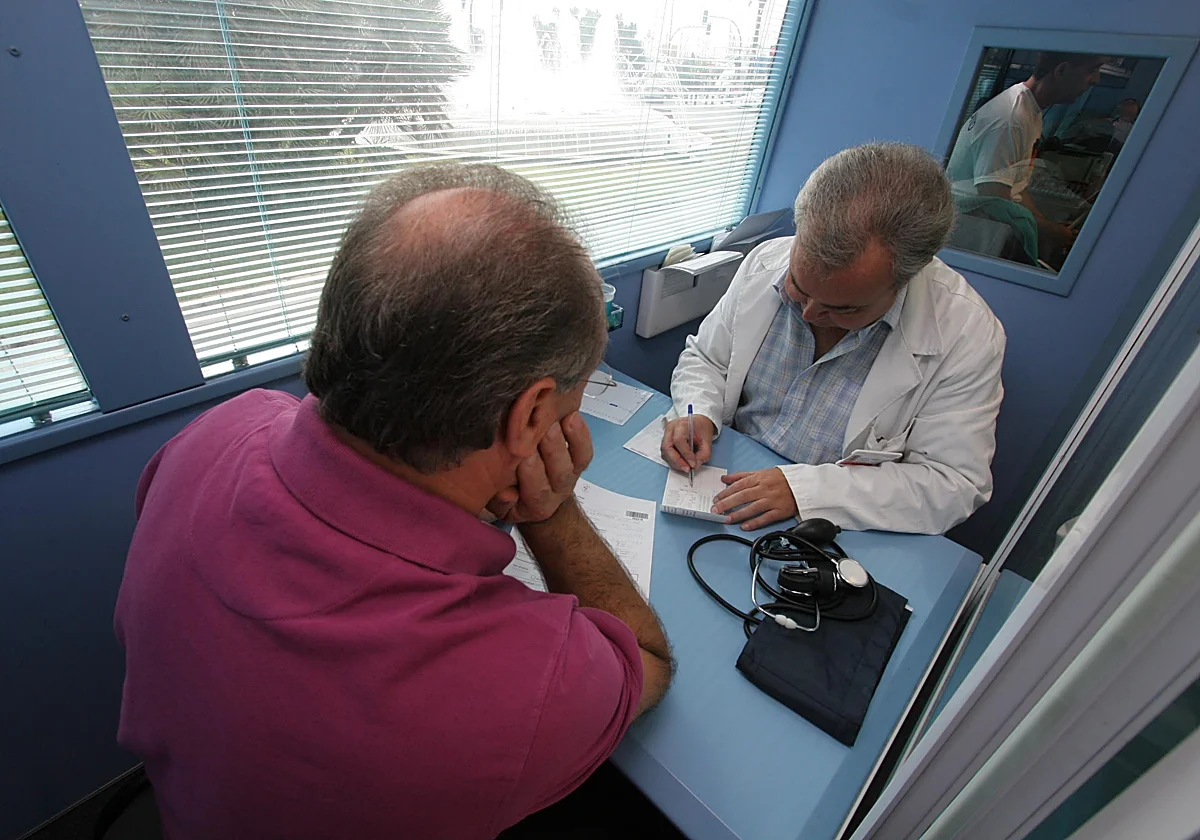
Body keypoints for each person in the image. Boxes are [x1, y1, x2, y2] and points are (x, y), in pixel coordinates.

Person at [115, 164, 674, 840]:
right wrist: (549, 510)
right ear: (530, 417)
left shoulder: (215, 431)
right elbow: (645, 660)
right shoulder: (521, 683)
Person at [661, 142, 1006, 535]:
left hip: (834, 524)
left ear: (908, 276)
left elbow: (953, 485)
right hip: (725, 478)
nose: (809, 314)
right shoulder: (766, 260)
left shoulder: (966, 335)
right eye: (798, 286)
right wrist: (698, 411)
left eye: (843, 309)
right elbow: (707, 360)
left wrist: (806, 492)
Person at [946, 52, 1106, 262]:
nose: (1096, 80)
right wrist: (1048, 230)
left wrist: (1045, 224)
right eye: (1091, 71)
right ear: (1061, 71)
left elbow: (1015, 186)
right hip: (976, 231)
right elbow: (994, 197)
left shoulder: (1030, 111)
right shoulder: (1010, 118)